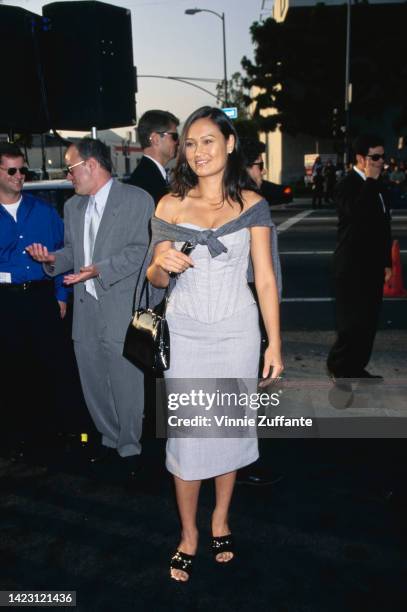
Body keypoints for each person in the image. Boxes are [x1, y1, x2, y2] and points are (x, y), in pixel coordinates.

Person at [146, 106, 283, 582]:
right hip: (185, 333)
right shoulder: (168, 204)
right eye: (190, 143)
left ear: (228, 144)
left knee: (225, 431)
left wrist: (274, 344)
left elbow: (264, 278)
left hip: (236, 332)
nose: (198, 151)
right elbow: (155, 278)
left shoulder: (252, 204)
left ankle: (221, 517)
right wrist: (164, 260)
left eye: (208, 141)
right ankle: (189, 534)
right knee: (188, 438)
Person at [26, 138, 155, 469]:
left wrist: (100, 270)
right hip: (86, 310)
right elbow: (72, 253)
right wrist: (51, 259)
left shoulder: (136, 199)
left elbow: (142, 250)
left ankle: (130, 447)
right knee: (94, 380)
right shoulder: (73, 207)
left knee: (126, 382)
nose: (69, 175)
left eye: (70, 168)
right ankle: (109, 439)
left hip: (120, 307)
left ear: (92, 165)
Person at [0, 142, 69, 453]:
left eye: (22, 170)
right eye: (12, 170)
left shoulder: (44, 210)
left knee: (48, 367)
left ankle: (51, 436)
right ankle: (17, 437)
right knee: (12, 369)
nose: (19, 176)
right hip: (6, 302)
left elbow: (64, 254)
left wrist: (61, 295)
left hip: (41, 298)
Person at [327, 134, 392, 380]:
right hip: (351, 265)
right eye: (375, 157)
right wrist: (371, 183)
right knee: (351, 323)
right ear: (361, 158)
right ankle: (339, 365)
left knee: (368, 322)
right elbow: (357, 214)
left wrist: (387, 262)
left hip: (373, 265)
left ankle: (355, 367)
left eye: (382, 157)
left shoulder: (379, 185)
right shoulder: (347, 184)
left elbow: (383, 227)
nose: (380, 162)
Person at [127, 110, 179, 204]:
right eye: (174, 137)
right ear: (155, 139)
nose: (177, 142)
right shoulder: (145, 184)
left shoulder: (146, 177)